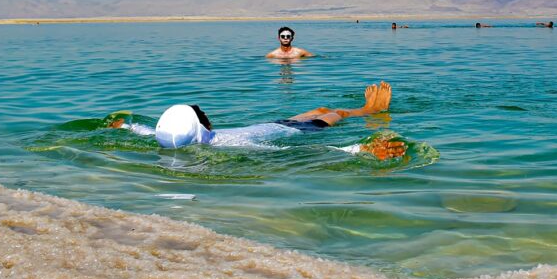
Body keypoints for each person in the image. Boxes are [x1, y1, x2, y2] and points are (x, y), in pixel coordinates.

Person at [111, 82, 405, 160]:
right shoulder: (232, 143)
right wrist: (359, 150)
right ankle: (370, 110)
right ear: (204, 127)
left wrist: (124, 126)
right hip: (298, 131)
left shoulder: (171, 137)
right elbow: (291, 152)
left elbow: (148, 132)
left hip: (274, 122)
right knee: (335, 114)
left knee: (320, 106)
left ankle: (361, 110)